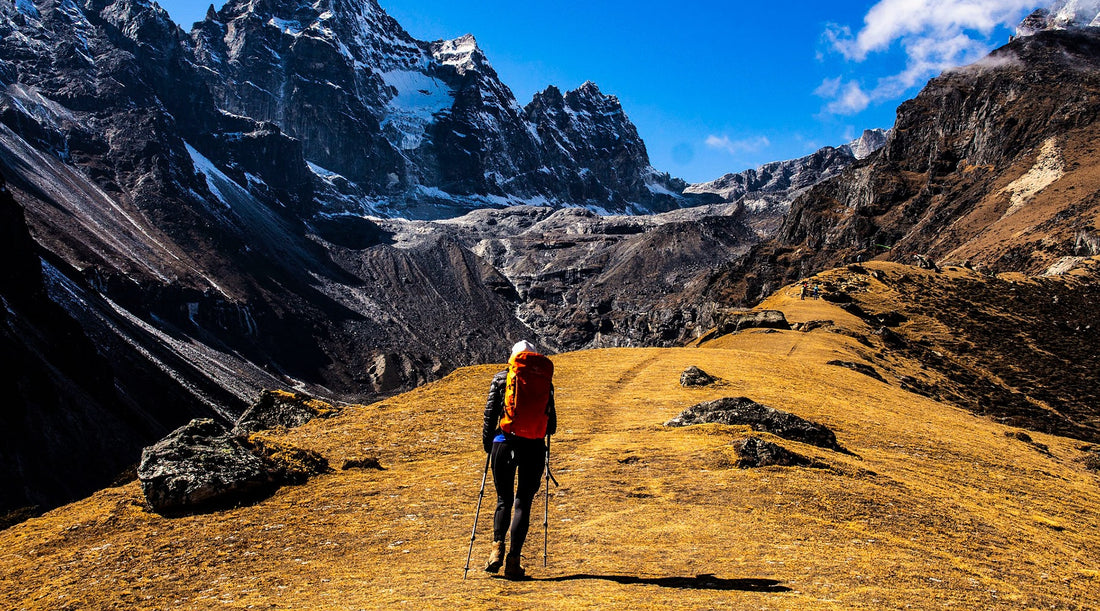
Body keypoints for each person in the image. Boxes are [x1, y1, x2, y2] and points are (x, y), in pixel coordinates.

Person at [482, 340, 557, 580]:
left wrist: (488, 446)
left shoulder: (501, 379)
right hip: (533, 447)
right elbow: (552, 426)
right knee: (523, 502)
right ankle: (513, 561)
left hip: (503, 443)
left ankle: (496, 550)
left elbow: (490, 415)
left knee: (503, 499)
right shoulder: (545, 382)